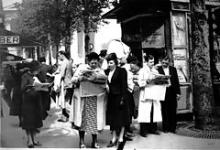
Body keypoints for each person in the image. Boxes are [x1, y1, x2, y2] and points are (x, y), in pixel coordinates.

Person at [72, 52, 107, 148]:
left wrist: (97, 78)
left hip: (95, 98)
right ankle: (81, 142)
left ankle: (94, 142)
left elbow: (105, 82)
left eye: (95, 63)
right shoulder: (81, 68)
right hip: (84, 97)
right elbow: (73, 80)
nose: (94, 65)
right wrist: (80, 78)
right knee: (83, 120)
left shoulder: (100, 70)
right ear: (88, 61)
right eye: (92, 63)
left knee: (94, 120)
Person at [20, 61, 50, 148]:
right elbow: (22, 88)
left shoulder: (36, 76)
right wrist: (31, 86)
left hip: (37, 100)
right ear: (33, 69)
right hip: (28, 101)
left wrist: (44, 85)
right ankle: (29, 140)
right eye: (37, 70)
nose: (38, 71)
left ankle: (34, 139)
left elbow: (42, 83)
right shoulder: (25, 76)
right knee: (29, 121)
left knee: (36, 120)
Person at [105, 53, 130, 150]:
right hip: (111, 98)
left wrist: (123, 99)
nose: (109, 65)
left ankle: (120, 138)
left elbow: (124, 86)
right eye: (108, 63)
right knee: (113, 119)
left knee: (121, 119)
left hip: (120, 97)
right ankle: (114, 137)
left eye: (111, 63)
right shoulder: (106, 72)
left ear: (115, 62)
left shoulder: (122, 71)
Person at [137, 55, 166, 137]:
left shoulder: (155, 71)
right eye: (150, 62)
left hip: (154, 93)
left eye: (153, 62)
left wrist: (162, 81)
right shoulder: (142, 71)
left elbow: (157, 81)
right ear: (146, 62)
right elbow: (140, 83)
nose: (152, 64)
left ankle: (153, 129)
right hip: (146, 94)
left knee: (153, 112)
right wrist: (147, 81)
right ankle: (143, 131)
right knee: (145, 112)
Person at [157, 56, 181, 133]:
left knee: (173, 110)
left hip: (172, 91)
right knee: (164, 110)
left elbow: (176, 81)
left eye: (166, 63)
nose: (164, 64)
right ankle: (166, 128)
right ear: (161, 62)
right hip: (163, 91)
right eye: (163, 63)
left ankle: (173, 128)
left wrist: (178, 93)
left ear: (169, 62)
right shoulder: (158, 70)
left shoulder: (173, 69)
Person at [56, 51, 74, 122]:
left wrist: (58, 83)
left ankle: (72, 117)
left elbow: (62, 74)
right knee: (66, 101)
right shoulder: (69, 62)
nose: (58, 57)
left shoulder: (64, 63)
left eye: (59, 55)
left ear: (62, 55)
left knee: (65, 101)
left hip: (65, 84)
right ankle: (64, 117)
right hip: (70, 83)